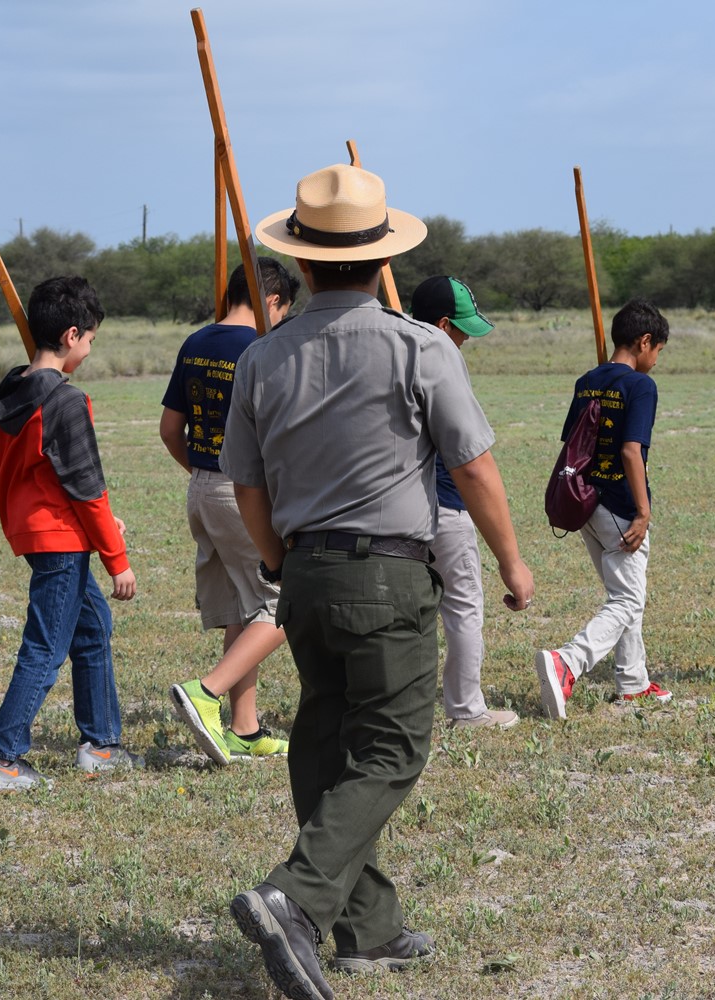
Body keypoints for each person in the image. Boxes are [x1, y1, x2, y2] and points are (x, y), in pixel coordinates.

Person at [219, 164, 534, 1000]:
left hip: (303, 573)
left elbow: (247, 487)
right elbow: (472, 467)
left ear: (307, 261)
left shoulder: (263, 357)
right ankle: (295, 898)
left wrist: (281, 563)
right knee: (393, 743)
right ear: (379, 256)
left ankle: (371, 928)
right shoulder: (419, 346)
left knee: (325, 740)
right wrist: (511, 560)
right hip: (387, 571)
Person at [0, 275, 143, 791]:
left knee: (92, 630)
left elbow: (46, 478)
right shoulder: (66, 402)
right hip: (60, 543)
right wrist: (117, 558)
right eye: (91, 339)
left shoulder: (12, 391)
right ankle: (3, 757)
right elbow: (87, 488)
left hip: (36, 532)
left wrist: (91, 525)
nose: (90, 350)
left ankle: (102, 745)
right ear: (72, 335)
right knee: (46, 647)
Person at [163, 258, 299, 764]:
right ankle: (206, 691)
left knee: (246, 607)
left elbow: (169, 430)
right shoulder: (264, 348)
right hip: (245, 491)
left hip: (201, 487)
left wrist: (204, 476)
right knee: (288, 601)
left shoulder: (195, 341)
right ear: (272, 301)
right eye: (284, 309)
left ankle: (244, 728)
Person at [536, 300, 673, 721]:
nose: (656, 360)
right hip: (618, 505)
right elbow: (632, 451)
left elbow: (574, 442)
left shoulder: (587, 380)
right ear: (645, 341)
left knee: (624, 594)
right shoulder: (640, 386)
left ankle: (633, 683)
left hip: (586, 504)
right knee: (628, 600)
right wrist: (643, 512)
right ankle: (568, 663)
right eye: (658, 351)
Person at [408, 275, 518, 731]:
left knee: (407, 613)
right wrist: (511, 560)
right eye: (461, 331)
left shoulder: (393, 353)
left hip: (399, 513)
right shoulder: (443, 360)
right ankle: (466, 709)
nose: (464, 342)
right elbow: (472, 463)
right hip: (445, 510)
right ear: (443, 324)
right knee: (463, 606)